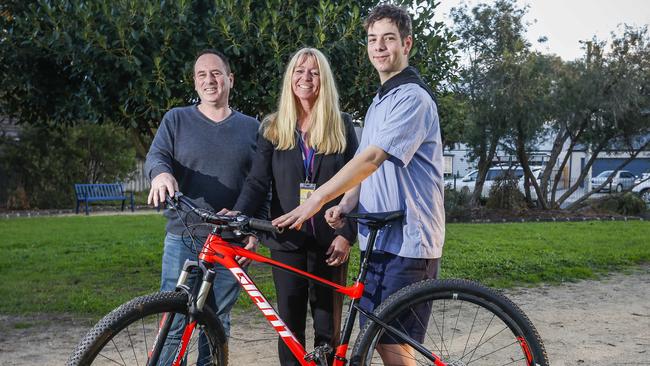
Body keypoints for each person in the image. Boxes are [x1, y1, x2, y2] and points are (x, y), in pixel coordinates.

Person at [272, 5, 444, 365]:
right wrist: (347, 204)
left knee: (392, 343)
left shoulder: (412, 98)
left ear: (407, 43)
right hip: (380, 238)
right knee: (376, 338)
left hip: (409, 241)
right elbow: (368, 171)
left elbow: (370, 159)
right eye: (372, 39)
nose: (379, 47)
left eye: (389, 39)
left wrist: (317, 199)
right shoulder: (381, 100)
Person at [229, 48, 358, 366]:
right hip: (286, 240)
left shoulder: (341, 125)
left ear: (323, 80)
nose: (305, 78)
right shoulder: (273, 127)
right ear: (290, 78)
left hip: (331, 242)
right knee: (289, 327)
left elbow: (360, 181)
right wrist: (238, 214)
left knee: (328, 326)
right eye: (299, 71)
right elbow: (258, 183)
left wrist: (348, 234)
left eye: (313, 72)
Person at [145, 49, 261, 362]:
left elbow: (262, 183)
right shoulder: (176, 119)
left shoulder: (253, 128)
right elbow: (156, 157)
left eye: (216, 73)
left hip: (229, 241)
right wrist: (161, 174)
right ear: (195, 83)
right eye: (201, 75)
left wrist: (255, 229)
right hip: (183, 236)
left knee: (216, 320)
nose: (209, 80)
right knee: (173, 319)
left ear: (230, 79)